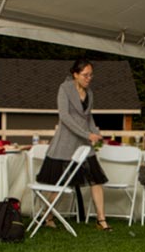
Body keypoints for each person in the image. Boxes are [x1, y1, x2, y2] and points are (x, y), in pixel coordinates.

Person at [37, 58, 112, 231]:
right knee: (60, 184)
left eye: (91, 75)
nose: (89, 78)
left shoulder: (90, 93)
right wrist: (88, 134)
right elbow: (65, 117)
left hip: (84, 146)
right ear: (75, 74)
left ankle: (101, 220)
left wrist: (96, 133)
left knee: (96, 180)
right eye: (85, 75)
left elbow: (88, 117)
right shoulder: (65, 89)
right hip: (65, 145)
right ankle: (47, 217)